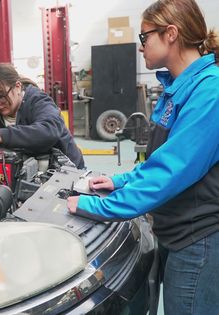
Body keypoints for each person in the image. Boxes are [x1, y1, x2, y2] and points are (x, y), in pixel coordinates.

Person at [67, 0, 219, 314]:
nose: (140, 47)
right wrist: (118, 181)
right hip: (176, 230)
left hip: (199, 239)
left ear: (171, 34)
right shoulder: (177, 88)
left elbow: (169, 173)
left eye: (144, 37)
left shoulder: (210, 92)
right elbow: (159, 161)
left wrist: (96, 206)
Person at [0, 63, 85, 169]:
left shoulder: (38, 101)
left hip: (67, 171)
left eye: (1, 96)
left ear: (17, 86)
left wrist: (1, 135)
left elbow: (49, 131)